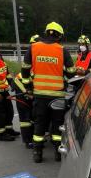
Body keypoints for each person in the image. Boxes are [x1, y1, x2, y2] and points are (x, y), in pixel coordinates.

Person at [21, 22, 76, 163]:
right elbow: (71, 73)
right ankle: (58, 154)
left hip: (39, 95)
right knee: (57, 124)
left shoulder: (33, 47)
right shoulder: (62, 50)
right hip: (57, 95)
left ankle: (37, 153)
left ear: (47, 33)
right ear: (59, 35)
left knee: (39, 123)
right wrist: (61, 71)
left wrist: (28, 87)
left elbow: (25, 70)